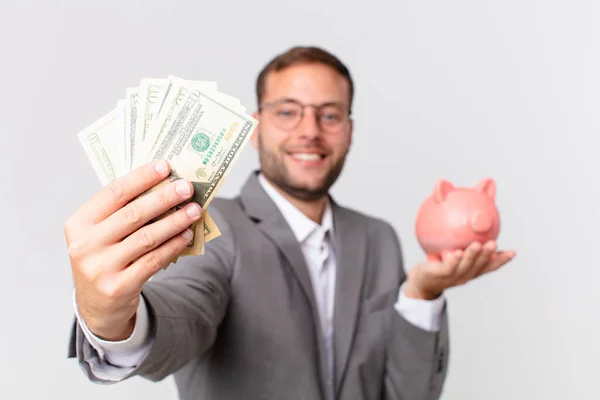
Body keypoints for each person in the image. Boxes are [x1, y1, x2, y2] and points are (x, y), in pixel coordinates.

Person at [65, 46, 515, 400]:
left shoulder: (379, 239)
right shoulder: (212, 223)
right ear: (256, 127)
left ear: (350, 132)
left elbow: (409, 395)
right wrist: (113, 317)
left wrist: (422, 295)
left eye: (330, 114)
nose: (310, 131)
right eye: (287, 111)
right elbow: (184, 313)